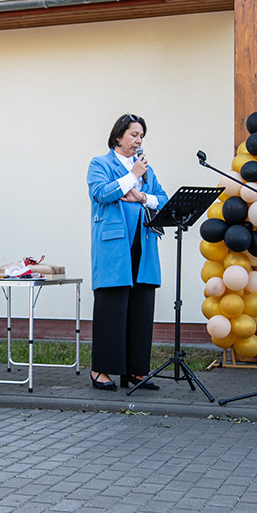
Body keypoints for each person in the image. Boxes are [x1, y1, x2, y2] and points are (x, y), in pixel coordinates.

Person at [86, 113, 168, 390]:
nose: (138, 140)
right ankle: (101, 371)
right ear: (118, 136)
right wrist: (131, 177)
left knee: (141, 306)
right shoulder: (100, 164)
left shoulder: (146, 169)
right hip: (114, 245)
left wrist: (142, 196)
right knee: (113, 305)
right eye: (134, 134)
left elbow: (163, 200)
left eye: (141, 136)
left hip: (143, 243)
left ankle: (135, 371)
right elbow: (101, 193)